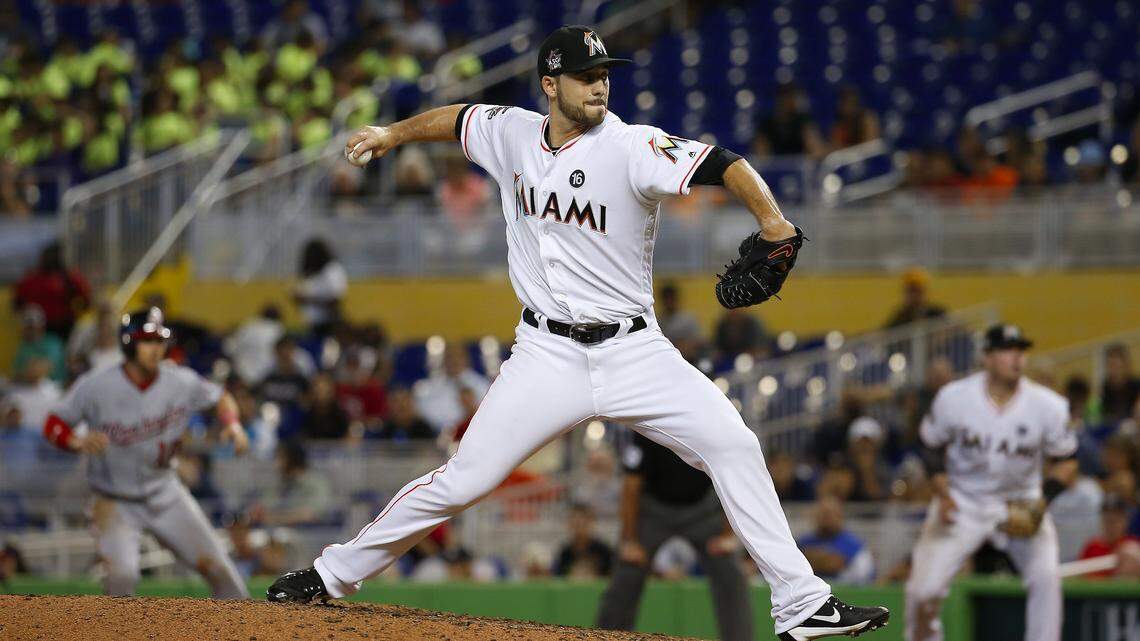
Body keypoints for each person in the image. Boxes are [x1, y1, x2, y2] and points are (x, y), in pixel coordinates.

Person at [268, 25, 888, 640]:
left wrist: (775, 224)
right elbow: (456, 119)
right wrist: (391, 134)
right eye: (586, 76)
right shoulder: (512, 133)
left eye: (604, 75)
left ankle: (802, 605)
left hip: (634, 350)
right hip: (546, 354)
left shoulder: (632, 147)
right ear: (550, 84)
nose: (600, 86)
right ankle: (331, 574)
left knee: (735, 445)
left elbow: (726, 164)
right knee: (463, 480)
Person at [41, 307, 249, 598]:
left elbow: (221, 397)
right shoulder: (97, 385)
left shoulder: (180, 381)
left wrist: (232, 424)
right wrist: (75, 441)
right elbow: (54, 422)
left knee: (223, 572)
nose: (155, 348)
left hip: (166, 493)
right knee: (121, 580)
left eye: (159, 340)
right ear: (129, 343)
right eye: (147, 340)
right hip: (114, 501)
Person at [905, 324, 1077, 641]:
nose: (1017, 357)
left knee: (1047, 578)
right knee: (922, 590)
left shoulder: (1047, 405)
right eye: (1007, 350)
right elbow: (930, 446)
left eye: (1020, 350)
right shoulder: (954, 398)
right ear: (987, 357)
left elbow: (1068, 459)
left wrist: (1041, 501)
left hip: (1021, 500)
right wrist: (942, 493)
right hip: (963, 500)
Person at [597, 433, 754, 641]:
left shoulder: (711, 424)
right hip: (654, 509)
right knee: (628, 568)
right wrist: (629, 541)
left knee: (730, 571)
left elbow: (732, 475)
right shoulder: (646, 427)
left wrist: (727, 535)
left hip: (702, 509)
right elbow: (631, 486)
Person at [13, 241, 91, 340]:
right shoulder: (33, 278)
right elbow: (18, 302)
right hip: (39, 327)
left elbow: (86, 298)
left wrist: (76, 314)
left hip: (63, 326)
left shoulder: (68, 277)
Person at [797, 496, 874, 585]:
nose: (826, 519)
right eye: (823, 514)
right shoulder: (803, 542)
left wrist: (817, 560)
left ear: (840, 516)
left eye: (830, 514)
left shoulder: (854, 545)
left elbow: (863, 576)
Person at [413, 344, 489, 434]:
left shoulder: (483, 385)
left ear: (467, 359)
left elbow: (489, 414)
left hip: (476, 433)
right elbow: (424, 412)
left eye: (458, 357)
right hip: (440, 434)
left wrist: (472, 410)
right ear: (444, 361)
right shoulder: (430, 387)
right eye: (450, 357)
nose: (454, 361)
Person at [294, 239, 347, 337]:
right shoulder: (314, 273)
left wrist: (306, 299)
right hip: (313, 324)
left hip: (328, 325)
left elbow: (335, 300)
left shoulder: (332, 270)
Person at [553, 503, 612, 579]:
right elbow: (557, 578)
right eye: (574, 523)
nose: (578, 527)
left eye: (581, 523)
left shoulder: (604, 551)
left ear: (590, 522)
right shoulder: (565, 552)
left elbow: (612, 577)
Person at [1101, 344, 1140, 426]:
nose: (1113, 370)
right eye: (1110, 366)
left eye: (1116, 366)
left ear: (1125, 366)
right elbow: (1105, 415)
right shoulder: (1106, 387)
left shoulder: (1136, 385)